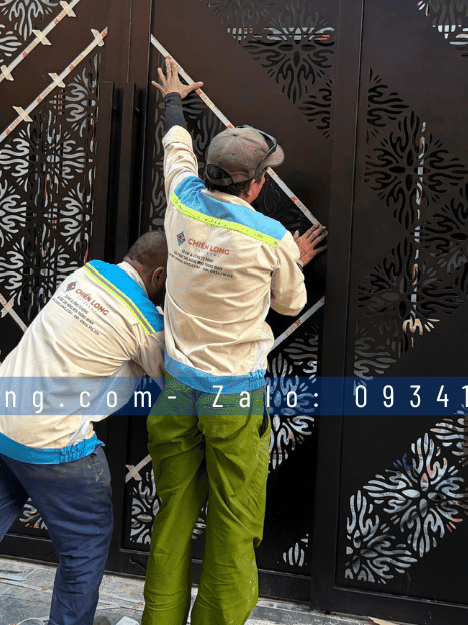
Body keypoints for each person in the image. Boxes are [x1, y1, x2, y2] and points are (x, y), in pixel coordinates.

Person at [142, 58, 326, 625]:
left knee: (174, 512)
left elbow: (175, 150)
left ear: (211, 173)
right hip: (234, 398)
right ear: (257, 184)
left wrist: (173, 101)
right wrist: (294, 258)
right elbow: (290, 304)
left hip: (177, 389)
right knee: (233, 519)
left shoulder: (181, 200)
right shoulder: (270, 237)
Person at [0, 231, 169, 625]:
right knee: (83, 550)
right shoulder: (145, 322)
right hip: (53, 447)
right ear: (159, 275)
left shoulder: (87, 274)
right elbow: (182, 379)